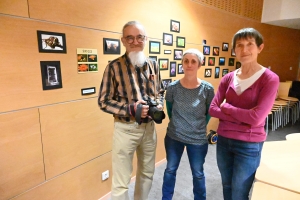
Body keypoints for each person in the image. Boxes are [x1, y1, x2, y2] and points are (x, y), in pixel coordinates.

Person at [209, 28, 279, 200]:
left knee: (239, 192)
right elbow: (212, 109)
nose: (244, 49)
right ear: (234, 50)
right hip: (224, 141)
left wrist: (227, 108)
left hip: (248, 145)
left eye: (250, 44)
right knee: (226, 185)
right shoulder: (228, 78)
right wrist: (244, 115)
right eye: (239, 45)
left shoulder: (269, 79)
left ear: (259, 48)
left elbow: (257, 119)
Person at [98, 21, 165, 200]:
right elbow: (103, 101)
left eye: (139, 37)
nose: (135, 42)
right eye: (130, 38)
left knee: (147, 174)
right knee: (121, 181)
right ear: (123, 41)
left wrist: (159, 104)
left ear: (145, 39)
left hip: (149, 129)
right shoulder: (113, 67)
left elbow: (160, 92)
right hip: (125, 130)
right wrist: (130, 109)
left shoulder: (153, 65)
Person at [162, 48, 215, 200]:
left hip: (197, 139)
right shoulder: (172, 88)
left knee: (198, 174)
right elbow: (170, 110)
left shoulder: (207, 89)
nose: (189, 65)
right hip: (174, 136)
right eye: (186, 61)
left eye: (193, 61)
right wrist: (179, 125)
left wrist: (198, 126)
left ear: (199, 65)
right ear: (182, 64)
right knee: (170, 170)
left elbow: (209, 112)